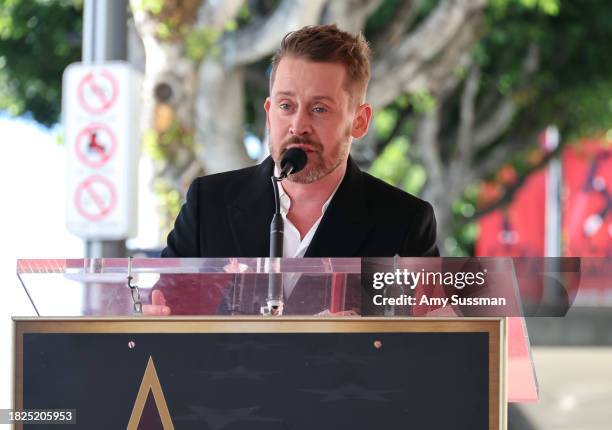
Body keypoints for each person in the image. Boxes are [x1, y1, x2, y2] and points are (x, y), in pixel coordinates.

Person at [146, 24, 438, 315]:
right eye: (286, 106)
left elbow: (425, 345)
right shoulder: (208, 204)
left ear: (359, 121)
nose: (299, 126)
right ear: (269, 114)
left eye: (319, 109)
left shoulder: (404, 222)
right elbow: (161, 314)